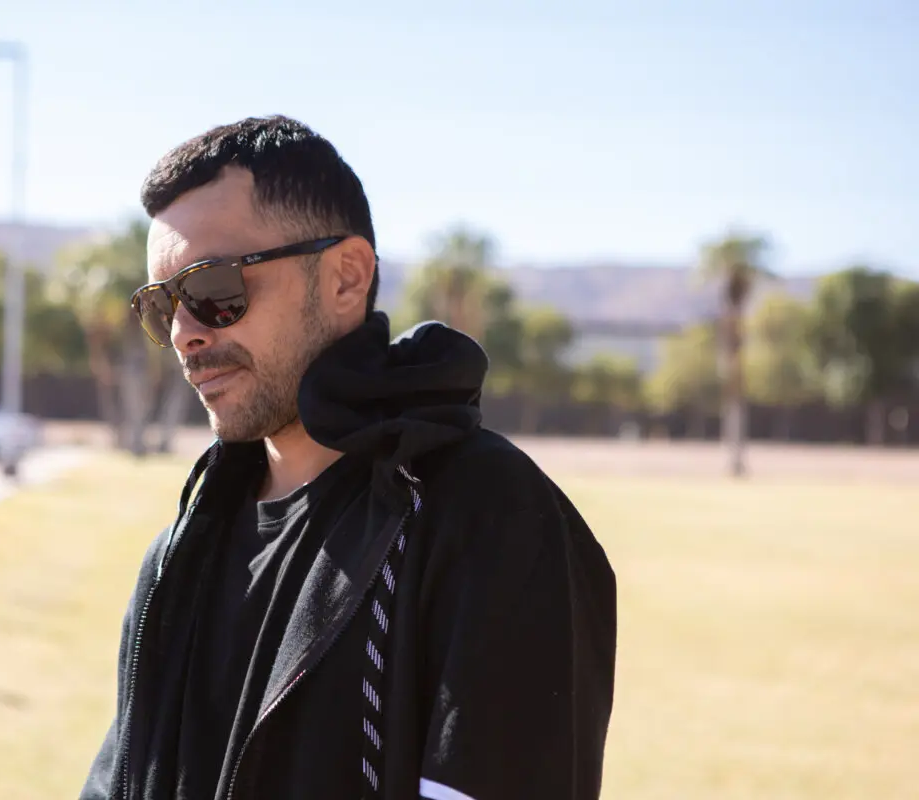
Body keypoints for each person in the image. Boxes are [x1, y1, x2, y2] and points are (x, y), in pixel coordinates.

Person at [79, 115, 617, 800]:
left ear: (345, 277)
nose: (184, 334)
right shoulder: (176, 558)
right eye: (162, 307)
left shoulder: (487, 517)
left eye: (213, 291)